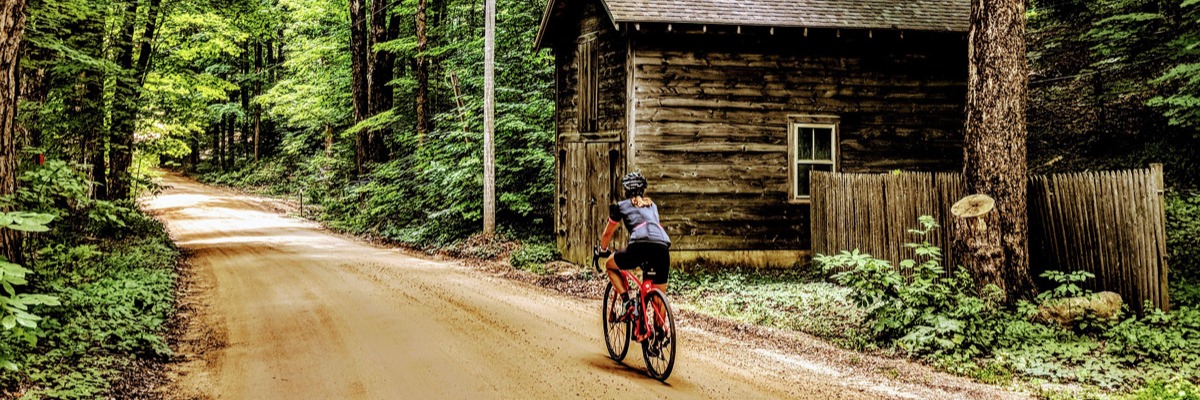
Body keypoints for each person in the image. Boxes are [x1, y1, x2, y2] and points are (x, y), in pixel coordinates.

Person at [597, 172, 671, 325]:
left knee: (610, 266)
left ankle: (627, 302)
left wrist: (602, 250)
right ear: (643, 189)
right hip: (662, 246)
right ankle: (659, 335)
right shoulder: (653, 206)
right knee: (659, 297)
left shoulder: (622, 206)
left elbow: (607, 233)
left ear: (626, 190)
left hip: (639, 245)